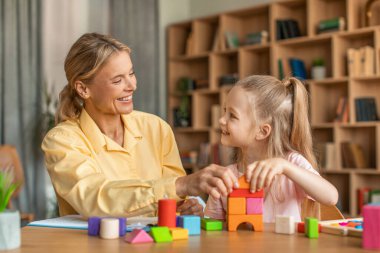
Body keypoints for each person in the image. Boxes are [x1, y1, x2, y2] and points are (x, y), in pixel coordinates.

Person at [42, 33, 238, 218]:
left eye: (131, 74)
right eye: (118, 80)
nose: (132, 85)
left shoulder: (157, 128)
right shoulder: (61, 140)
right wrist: (181, 186)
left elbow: (174, 200)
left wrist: (185, 207)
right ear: (83, 89)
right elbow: (94, 199)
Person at [204, 75, 339, 222]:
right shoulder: (225, 177)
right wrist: (199, 216)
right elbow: (214, 230)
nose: (221, 120)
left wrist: (286, 167)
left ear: (262, 131)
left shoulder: (290, 163)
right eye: (224, 111)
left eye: (232, 115)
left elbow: (331, 197)